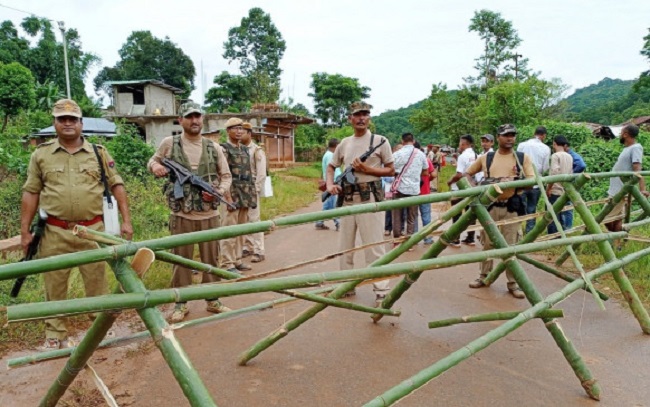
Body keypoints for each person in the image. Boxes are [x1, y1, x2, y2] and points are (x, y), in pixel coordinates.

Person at [21, 99, 133, 349]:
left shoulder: (98, 153)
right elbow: (31, 192)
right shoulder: (41, 154)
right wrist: (24, 231)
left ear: (82, 123)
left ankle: (99, 330)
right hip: (54, 231)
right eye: (62, 119)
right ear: (55, 123)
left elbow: (117, 185)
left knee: (97, 283)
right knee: (54, 284)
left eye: (73, 119)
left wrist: (126, 221)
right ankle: (55, 334)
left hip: (92, 230)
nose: (68, 123)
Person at [148, 102, 233, 323]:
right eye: (190, 117)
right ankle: (180, 303)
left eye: (198, 116)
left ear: (202, 120)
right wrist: (155, 167)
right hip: (181, 215)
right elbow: (153, 160)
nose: (195, 121)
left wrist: (218, 193)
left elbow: (226, 176)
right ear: (181, 120)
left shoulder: (214, 148)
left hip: (208, 215)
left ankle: (212, 300)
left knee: (211, 261)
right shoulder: (169, 144)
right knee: (181, 260)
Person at [326, 101, 394, 302]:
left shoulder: (380, 141)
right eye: (357, 115)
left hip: (370, 200)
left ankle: (381, 290)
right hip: (347, 200)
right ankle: (345, 285)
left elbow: (391, 170)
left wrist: (368, 170)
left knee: (374, 247)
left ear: (369, 118)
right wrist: (330, 185)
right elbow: (331, 167)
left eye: (365, 114)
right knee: (344, 247)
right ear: (350, 119)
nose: (361, 118)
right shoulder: (345, 143)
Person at [464, 124, 535, 299]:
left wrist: (511, 182)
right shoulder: (486, 158)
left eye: (512, 135)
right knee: (487, 244)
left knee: (510, 247)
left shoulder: (521, 158)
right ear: (498, 137)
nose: (510, 138)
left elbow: (531, 181)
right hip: (491, 207)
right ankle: (484, 277)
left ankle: (513, 283)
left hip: (512, 208)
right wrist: (476, 189)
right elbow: (467, 174)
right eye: (506, 135)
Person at [219, 118, 257, 273]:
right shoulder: (224, 149)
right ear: (228, 131)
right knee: (229, 230)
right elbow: (223, 175)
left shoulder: (244, 149)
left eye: (241, 128)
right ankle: (227, 263)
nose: (239, 131)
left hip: (245, 194)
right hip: (231, 194)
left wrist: (252, 196)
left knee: (241, 230)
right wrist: (227, 198)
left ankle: (237, 259)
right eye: (235, 128)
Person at [606, 124, 649, 234]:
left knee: (606, 218)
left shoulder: (636, 148)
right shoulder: (628, 148)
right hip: (617, 189)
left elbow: (637, 169)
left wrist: (642, 189)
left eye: (621, 132)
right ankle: (618, 242)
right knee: (617, 218)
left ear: (625, 134)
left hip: (621, 190)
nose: (620, 134)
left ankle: (618, 234)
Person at [390, 133, 428, 241]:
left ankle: (397, 239)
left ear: (402, 141)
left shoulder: (397, 154)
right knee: (412, 217)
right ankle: (409, 241)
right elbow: (425, 172)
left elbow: (391, 170)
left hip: (399, 189)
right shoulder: (421, 154)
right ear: (414, 141)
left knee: (397, 216)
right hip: (414, 190)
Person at [516, 126, 550, 233]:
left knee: (518, 207)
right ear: (543, 135)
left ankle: (517, 231)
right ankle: (529, 232)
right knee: (532, 208)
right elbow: (545, 168)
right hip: (536, 182)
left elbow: (516, 163)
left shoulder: (522, 145)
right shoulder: (546, 148)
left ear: (534, 133)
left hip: (522, 181)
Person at [241, 122, 267, 263]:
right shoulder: (237, 149)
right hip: (240, 190)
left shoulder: (257, 151)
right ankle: (248, 246)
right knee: (244, 219)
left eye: (243, 131)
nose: (240, 133)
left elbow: (261, 174)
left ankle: (259, 250)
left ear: (249, 133)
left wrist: (255, 190)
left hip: (251, 189)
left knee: (254, 220)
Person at [447, 135, 477, 247]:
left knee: (456, 214)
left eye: (460, 144)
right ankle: (470, 238)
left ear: (464, 144)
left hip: (459, 189)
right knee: (470, 214)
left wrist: (450, 181)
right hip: (471, 188)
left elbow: (459, 174)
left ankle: (455, 239)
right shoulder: (475, 155)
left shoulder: (463, 156)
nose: (459, 146)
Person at [545, 136, 573, 235]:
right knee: (565, 212)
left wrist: (548, 188)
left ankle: (553, 235)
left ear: (554, 144)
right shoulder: (569, 156)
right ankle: (565, 232)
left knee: (553, 213)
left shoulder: (555, 156)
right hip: (566, 189)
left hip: (555, 189)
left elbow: (554, 173)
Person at [316, 138, 341, 231]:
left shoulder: (327, 155)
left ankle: (319, 222)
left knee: (328, 205)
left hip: (330, 183)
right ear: (336, 146)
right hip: (333, 183)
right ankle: (338, 223)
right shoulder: (331, 156)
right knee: (334, 205)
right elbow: (331, 171)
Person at [415, 141, 436, 245]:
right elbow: (434, 174)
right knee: (426, 216)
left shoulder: (411, 161)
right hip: (425, 192)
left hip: (413, 193)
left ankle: (413, 240)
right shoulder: (426, 160)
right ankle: (427, 239)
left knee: (413, 217)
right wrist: (428, 180)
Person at [563, 141, 586, 228]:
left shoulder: (571, 155)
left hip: (572, 183)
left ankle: (568, 227)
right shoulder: (570, 155)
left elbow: (582, 165)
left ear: (565, 146)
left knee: (568, 204)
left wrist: (571, 174)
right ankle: (565, 226)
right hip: (570, 183)